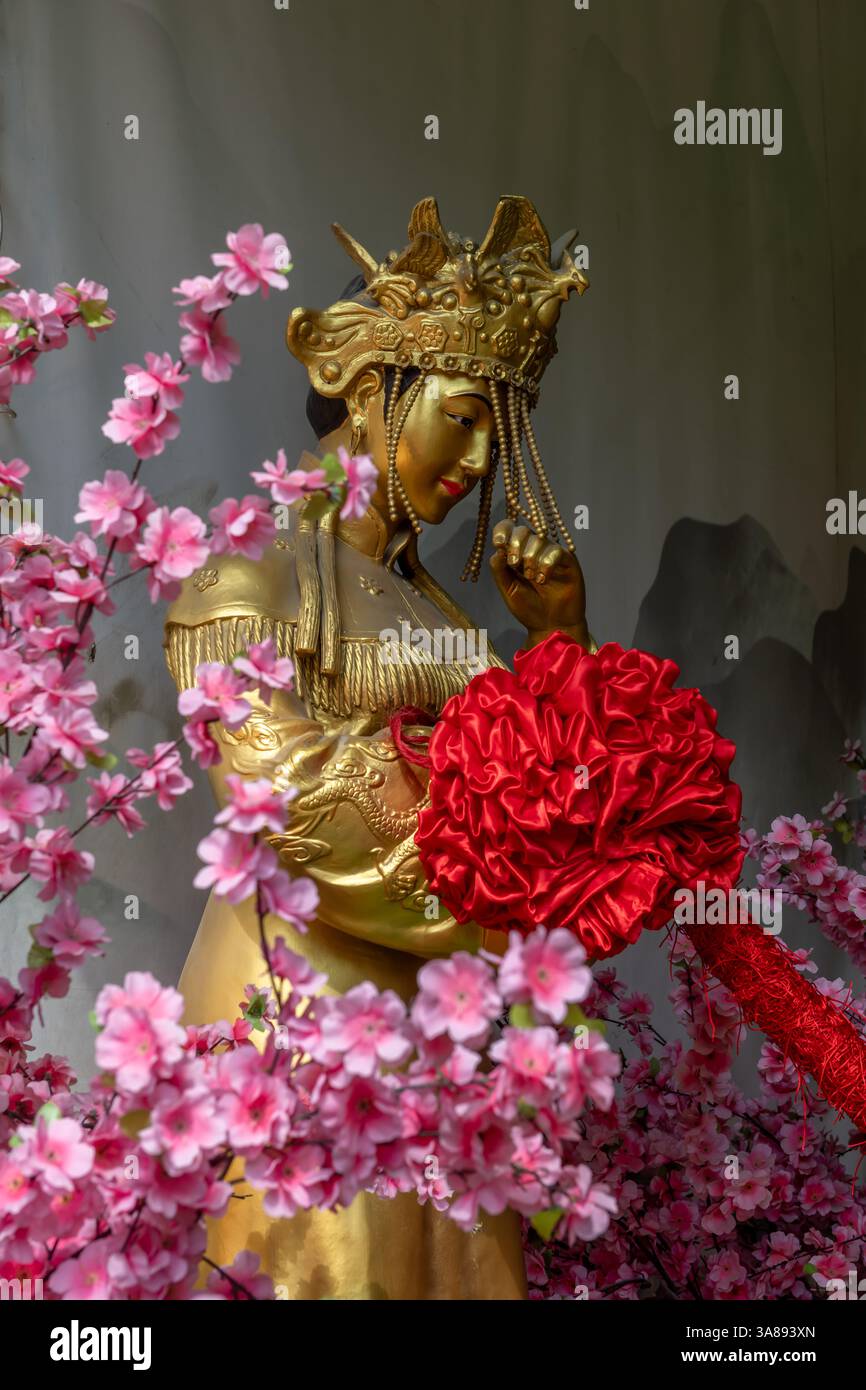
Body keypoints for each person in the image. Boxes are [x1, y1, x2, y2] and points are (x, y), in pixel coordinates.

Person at [163, 195, 595, 1298]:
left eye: (502, 425)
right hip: (304, 1033)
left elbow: (552, 796)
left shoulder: (445, 622)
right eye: (463, 413)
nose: (482, 454)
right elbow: (290, 800)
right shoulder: (244, 582)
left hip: (442, 1039)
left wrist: (557, 646)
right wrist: (507, 890)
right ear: (367, 391)